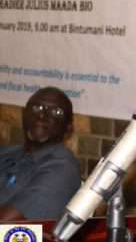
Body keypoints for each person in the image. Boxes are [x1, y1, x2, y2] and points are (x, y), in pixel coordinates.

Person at [0, 86, 81, 220]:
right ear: (23, 115)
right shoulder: (7, 152)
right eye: (36, 108)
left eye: (55, 112)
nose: (42, 116)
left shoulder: (62, 169)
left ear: (68, 127)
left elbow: (6, 223)